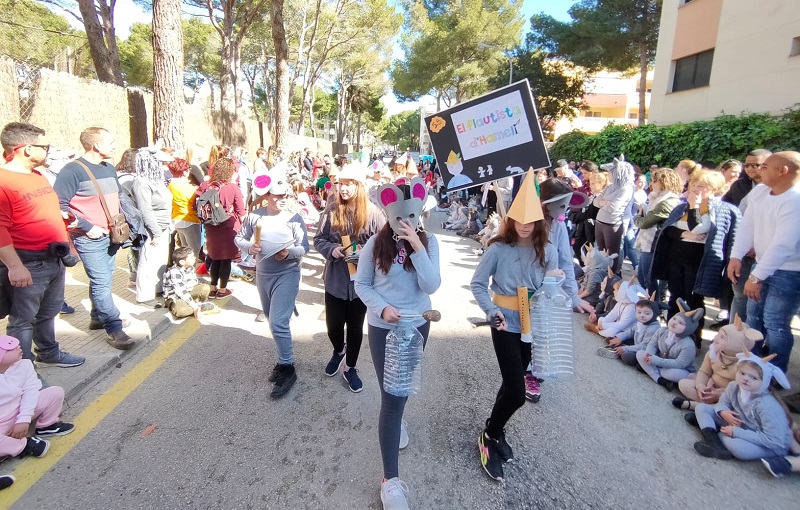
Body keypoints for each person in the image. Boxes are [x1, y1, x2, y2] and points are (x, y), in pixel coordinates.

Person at [353, 177, 440, 509]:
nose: (406, 223)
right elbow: (362, 284)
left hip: (417, 325)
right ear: (388, 214)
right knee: (391, 397)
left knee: (402, 389)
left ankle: (398, 417)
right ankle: (390, 481)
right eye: (399, 217)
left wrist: (418, 249)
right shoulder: (374, 245)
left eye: (412, 217)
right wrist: (382, 308)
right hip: (384, 329)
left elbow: (431, 285)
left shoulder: (429, 242)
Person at [470, 171, 557, 482]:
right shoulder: (497, 248)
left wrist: (555, 286)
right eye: (519, 219)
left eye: (530, 220)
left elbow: (553, 286)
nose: (524, 225)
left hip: (531, 325)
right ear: (511, 219)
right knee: (518, 393)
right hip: (504, 323)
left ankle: (496, 429)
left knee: (511, 385)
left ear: (538, 222)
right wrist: (492, 311)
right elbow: (478, 284)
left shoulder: (546, 250)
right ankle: (489, 435)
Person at [0, 123, 85, 366]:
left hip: (53, 258)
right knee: (23, 320)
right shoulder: (4, 181)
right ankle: (23, 369)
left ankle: (48, 353)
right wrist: (15, 267)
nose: (48, 150)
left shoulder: (37, 176)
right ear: (27, 149)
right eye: (44, 146)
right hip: (28, 262)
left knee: (48, 312)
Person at [54, 127, 133, 351]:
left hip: (112, 235)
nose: (115, 147)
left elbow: (118, 199)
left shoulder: (109, 168)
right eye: (111, 143)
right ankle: (114, 328)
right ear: (96, 145)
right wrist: (87, 226)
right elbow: (59, 206)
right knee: (101, 282)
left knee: (105, 279)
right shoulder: (72, 171)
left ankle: (97, 317)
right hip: (89, 238)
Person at [235, 170, 309, 398]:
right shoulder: (254, 216)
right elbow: (239, 238)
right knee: (272, 319)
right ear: (267, 195)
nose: (282, 198)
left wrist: (288, 253)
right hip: (263, 275)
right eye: (277, 195)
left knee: (278, 322)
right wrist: (249, 247)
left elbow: (304, 247)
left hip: (288, 273)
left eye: (285, 194)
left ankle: (288, 366)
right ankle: (283, 359)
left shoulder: (294, 218)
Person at [313, 163, 385, 392]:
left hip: (362, 284)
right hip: (335, 280)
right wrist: (332, 250)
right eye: (340, 184)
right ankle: (339, 350)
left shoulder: (374, 213)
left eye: (348, 184)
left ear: (359, 185)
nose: (342, 188)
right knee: (333, 327)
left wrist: (366, 253)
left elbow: (384, 244)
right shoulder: (331, 209)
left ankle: (350, 367)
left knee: (355, 328)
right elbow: (319, 239)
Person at [728, 151, 800, 375]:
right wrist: (736, 256)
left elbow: (783, 245)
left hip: (789, 272)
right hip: (760, 264)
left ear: (783, 171)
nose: (759, 170)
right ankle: (750, 366)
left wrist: (756, 277)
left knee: (775, 323)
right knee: (754, 317)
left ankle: (773, 373)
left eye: (765, 167)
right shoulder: (759, 191)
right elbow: (747, 225)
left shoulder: (795, 200)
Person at [651, 170, 740, 346]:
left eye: (701, 186)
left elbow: (698, 228)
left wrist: (693, 207)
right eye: (694, 184)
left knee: (694, 300)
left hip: (699, 262)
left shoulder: (721, 209)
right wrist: (685, 234)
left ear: (714, 189)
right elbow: (667, 230)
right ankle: (671, 333)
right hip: (676, 257)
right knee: (675, 296)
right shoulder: (681, 207)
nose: (695, 189)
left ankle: (693, 337)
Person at [692, 351, 792, 460]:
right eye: (742, 373)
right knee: (701, 408)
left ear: (765, 382)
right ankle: (713, 441)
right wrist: (723, 412)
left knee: (738, 448)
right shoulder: (734, 386)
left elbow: (773, 441)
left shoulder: (766, 406)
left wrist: (736, 432)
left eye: (754, 378)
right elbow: (723, 402)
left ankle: (715, 432)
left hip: (769, 445)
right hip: (742, 426)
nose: (746, 379)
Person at [0, 335, 75, 461]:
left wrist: (23, 420)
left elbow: (31, 391)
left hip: (21, 411)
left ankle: (46, 426)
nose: (19, 347)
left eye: (17, 345)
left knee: (55, 392)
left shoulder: (25, 365)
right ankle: (23, 445)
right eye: (10, 348)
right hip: (2, 423)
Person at [196, 158, 246, 299]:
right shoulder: (233, 188)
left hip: (210, 226)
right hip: (228, 226)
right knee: (226, 259)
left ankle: (213, 288)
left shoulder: (204, 185)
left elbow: (196, 204)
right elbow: (241, 212)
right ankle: (222, 290)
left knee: (214, 256)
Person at [133, 148, 173, 307]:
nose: (164, 166)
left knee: (160, 260)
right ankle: (144, 296)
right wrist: (155, 232)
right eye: (160, 163)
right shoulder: (141, 183)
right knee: (148, 262)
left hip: (164, 226)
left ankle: (158, 289)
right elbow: (145, 210)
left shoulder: (158, 181)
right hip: (151, 229)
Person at [633, 168, 682, 295]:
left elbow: (645, 223)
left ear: (665, 182)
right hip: (649, 243)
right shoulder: (658, 199)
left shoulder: (666, 202)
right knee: (643, 278)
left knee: (648, 280)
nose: (651, 184)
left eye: (654, 181)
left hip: (654, 244)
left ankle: (654, 304)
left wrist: (637, 217)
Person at [636, 299, 701, 391]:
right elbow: (652, 345)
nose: (675, 322)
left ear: (688, 328)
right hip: (659, 362)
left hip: (678, 369)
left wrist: (656, 361)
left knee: (671, 373)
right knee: (640, 353)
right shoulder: (662, 331)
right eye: (674, 318)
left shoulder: (688, 345)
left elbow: (679, 364)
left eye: (681, 323)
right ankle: (658, 379)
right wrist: (649, 354)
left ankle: (651, 371)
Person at [593, 156, 634, 273]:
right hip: (599, 222)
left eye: (610, 172)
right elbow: (595, 202)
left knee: (611, 255)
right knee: (601, 253)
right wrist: (605, 203)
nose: (608, 174)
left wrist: (603, 202)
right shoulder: (609, 186)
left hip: (613, 225)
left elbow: (613, 208)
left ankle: (612, 278)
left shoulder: (626, 189)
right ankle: (601, 276)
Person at [597, 294, 662, 366]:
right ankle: (617, 350)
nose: (642, 315)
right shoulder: (641, 322)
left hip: (644, 351)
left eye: (647, 313)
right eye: (639, 312)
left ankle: (618, 352)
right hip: (636, 344)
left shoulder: (653, 329)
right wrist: (619, 338)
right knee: (611, 339)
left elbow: (644, 346)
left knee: (626, 356)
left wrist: (625, 348)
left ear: (654, 314)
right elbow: (631, 332)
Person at [162, 247, 215, 319]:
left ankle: (194, 306)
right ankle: (197, 306)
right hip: (174, 297)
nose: (195, 258)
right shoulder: (174, 272)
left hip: (187, 291)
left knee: (205, 287)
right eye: (191, 257)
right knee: (181, 311)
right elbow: (180, 291)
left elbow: (194, 282)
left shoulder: (190, 267)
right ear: (182, 262)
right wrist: (194, 306)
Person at [168, 158, 202, 258]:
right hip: (190, 219)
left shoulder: (170, 185)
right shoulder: (187, 187)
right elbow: (195, 202)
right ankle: (191, 268)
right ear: (184, 171)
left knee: (184, 251)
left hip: (176, 219)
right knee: (194, 252)